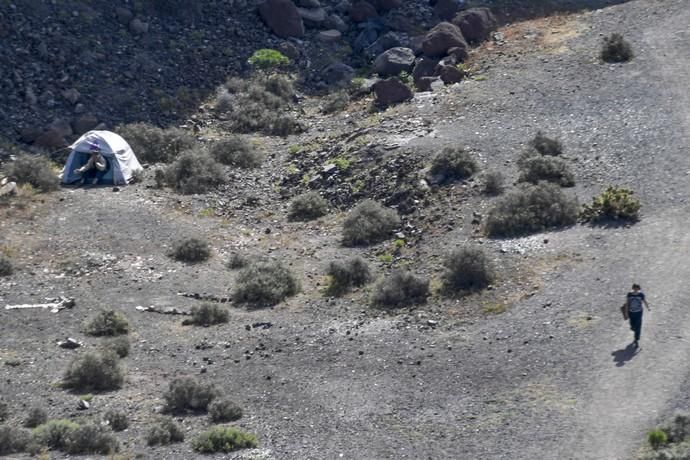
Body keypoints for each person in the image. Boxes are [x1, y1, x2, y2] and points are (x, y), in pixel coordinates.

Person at [625, 283, 650, 348]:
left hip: (639, 312)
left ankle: (636, 339)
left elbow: (644, 301)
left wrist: (648, 307)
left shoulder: (641, 295)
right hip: (631, 312)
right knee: (632, 325)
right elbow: (627, 303)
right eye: (634, 288)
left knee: (638, 326)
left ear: (639, 289)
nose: (636, 290)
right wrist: (626, 312)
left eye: (637, 288)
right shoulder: (629, 294)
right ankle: (633, 328)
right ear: (633, 288)